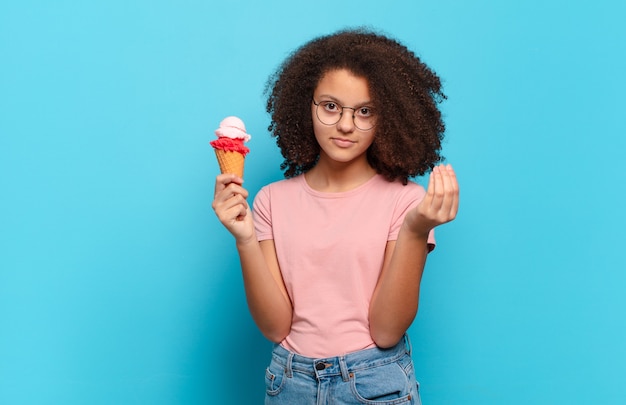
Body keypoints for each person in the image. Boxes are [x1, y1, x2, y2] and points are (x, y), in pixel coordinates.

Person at [212, 28, 459, 404]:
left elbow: (387, 331)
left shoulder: (406, 202)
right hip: (289, 383)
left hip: (373, 383)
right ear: (305, 106)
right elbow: (276, 326)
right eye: (330, 106)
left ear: (387, 118)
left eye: (364, 111)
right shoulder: (270, 201)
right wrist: (244, 238)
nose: (345, 125)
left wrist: (414, 230)